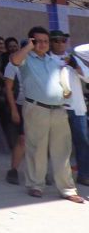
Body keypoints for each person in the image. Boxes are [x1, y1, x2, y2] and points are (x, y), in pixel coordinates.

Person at [10, 26, 83, 202]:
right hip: (37, 108)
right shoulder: (26, 59)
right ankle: (36, 185)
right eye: (38, 41)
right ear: (31, 41)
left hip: (59, 109)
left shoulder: (53, 61)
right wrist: (28, 46)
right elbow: (14, 60)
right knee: (37, 149)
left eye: (45, 41)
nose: (43, 44)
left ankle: (67, 189)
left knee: (63, 150)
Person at [53, 30, 89, 187]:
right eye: (56, 40)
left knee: (82, 142)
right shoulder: (47, 59)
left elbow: (88, 77)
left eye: (63, 40)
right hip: (57, 107)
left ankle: (84, 175)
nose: (60, 43)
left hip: (77, 107)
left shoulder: (73, 58)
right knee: (58, 144)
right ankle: (57, 176)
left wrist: (75, 66)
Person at [3, 37, 26, 185]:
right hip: (21, 105)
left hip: (37, 107)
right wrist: (13, 110)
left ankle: (40, 172)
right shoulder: (12, 65)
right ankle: (13, 170)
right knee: (22, 139)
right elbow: (9, 89)